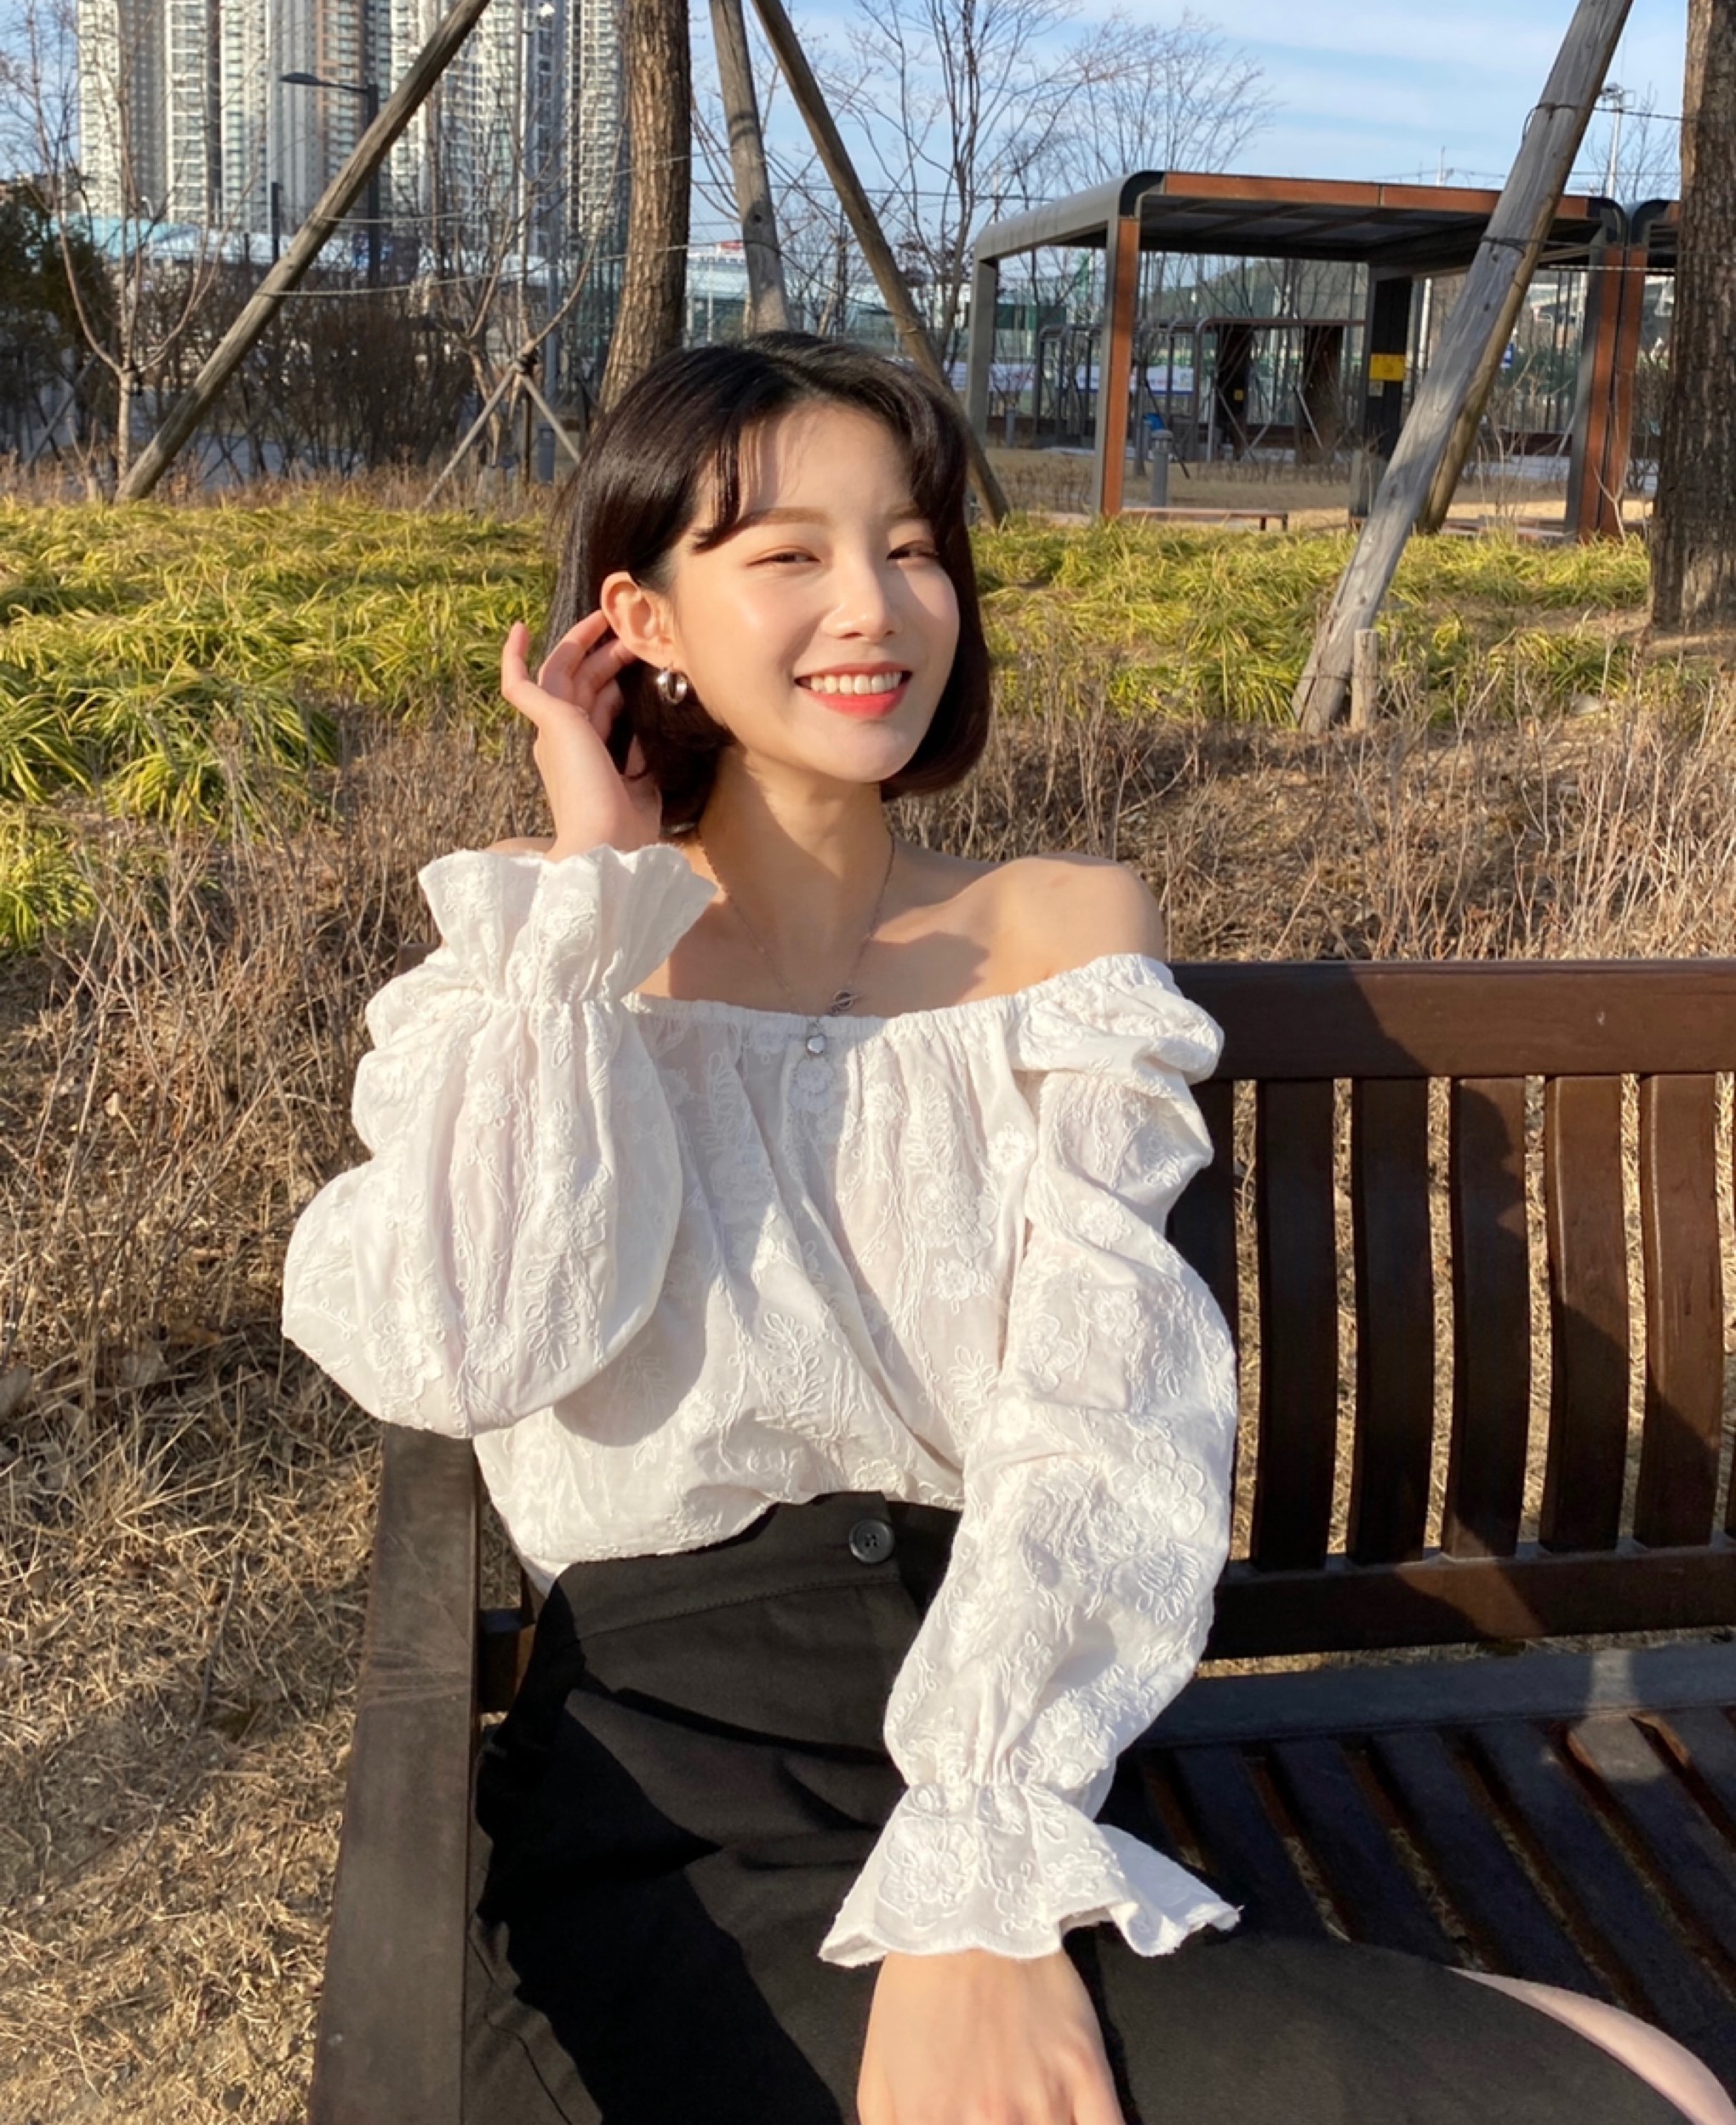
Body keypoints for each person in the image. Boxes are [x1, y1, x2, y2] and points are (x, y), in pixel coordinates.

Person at [282, 334, 1730, 2125]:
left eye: (912, 546)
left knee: (1646, 2091)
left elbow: (1103, 1408)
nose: (874, 605)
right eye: (788, 552)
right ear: (642, 619)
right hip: (666, 1794)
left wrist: (980, 1856)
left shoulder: (1063, 933)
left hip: (996, 1726)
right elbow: (473, 1341)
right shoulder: (546, 966)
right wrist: (589, 883)